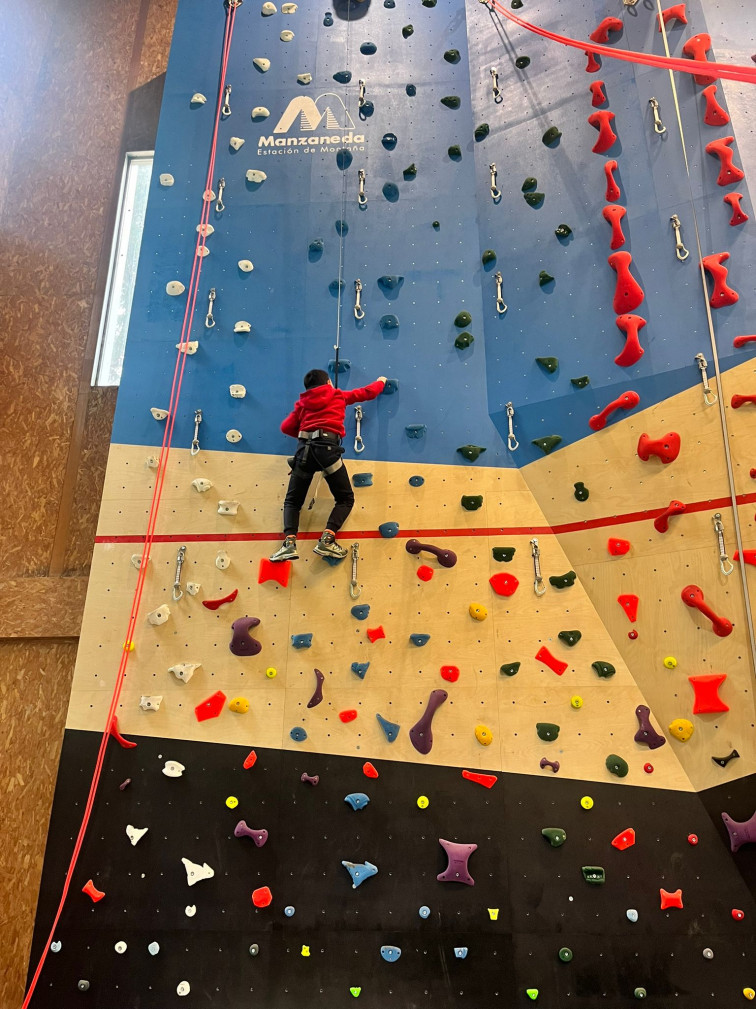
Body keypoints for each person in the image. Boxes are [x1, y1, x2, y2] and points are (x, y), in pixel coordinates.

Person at [270, 369, 386, 561]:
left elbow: (286, 427)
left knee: (293, 501)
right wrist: (381, 381)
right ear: (329, 383)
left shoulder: (302, 404)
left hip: (304, 453)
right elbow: (367, 393)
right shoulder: (337, 395)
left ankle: (289, 544)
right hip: (328, 451)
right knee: (345, 499)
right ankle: (327, 540)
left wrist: (305, 435)